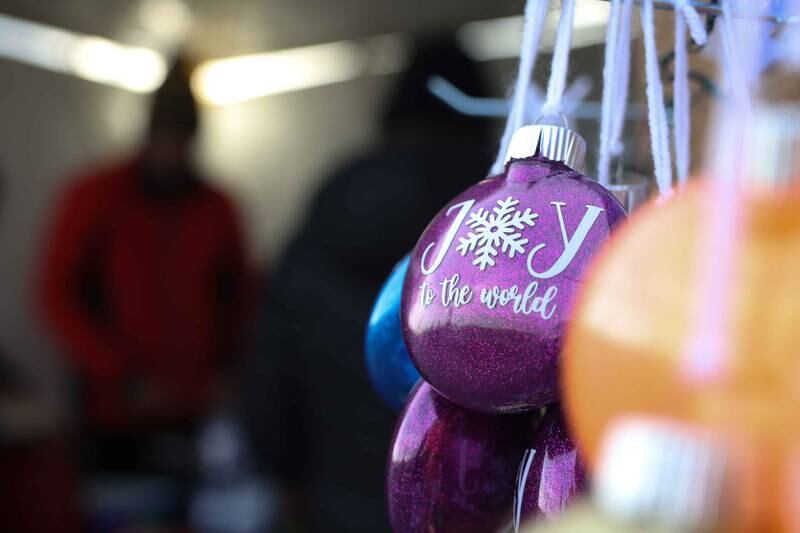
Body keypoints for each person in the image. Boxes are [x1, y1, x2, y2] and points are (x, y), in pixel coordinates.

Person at [242, 39, 493, 532]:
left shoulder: (333, 202)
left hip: (336, 493)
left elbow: (272, 355)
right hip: (468, 500)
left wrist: (280, 473)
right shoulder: (508, 211)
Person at [37, 59, 252, 525]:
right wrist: (118, 372)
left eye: (182, 138)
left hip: (194, 409)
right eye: (164, 137)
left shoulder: (217, 208)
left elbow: (241, 298)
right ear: (148, 133)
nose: (171, 152)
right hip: (114, 412)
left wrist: (228, 371)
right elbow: (58, 296)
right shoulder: (95, 197)